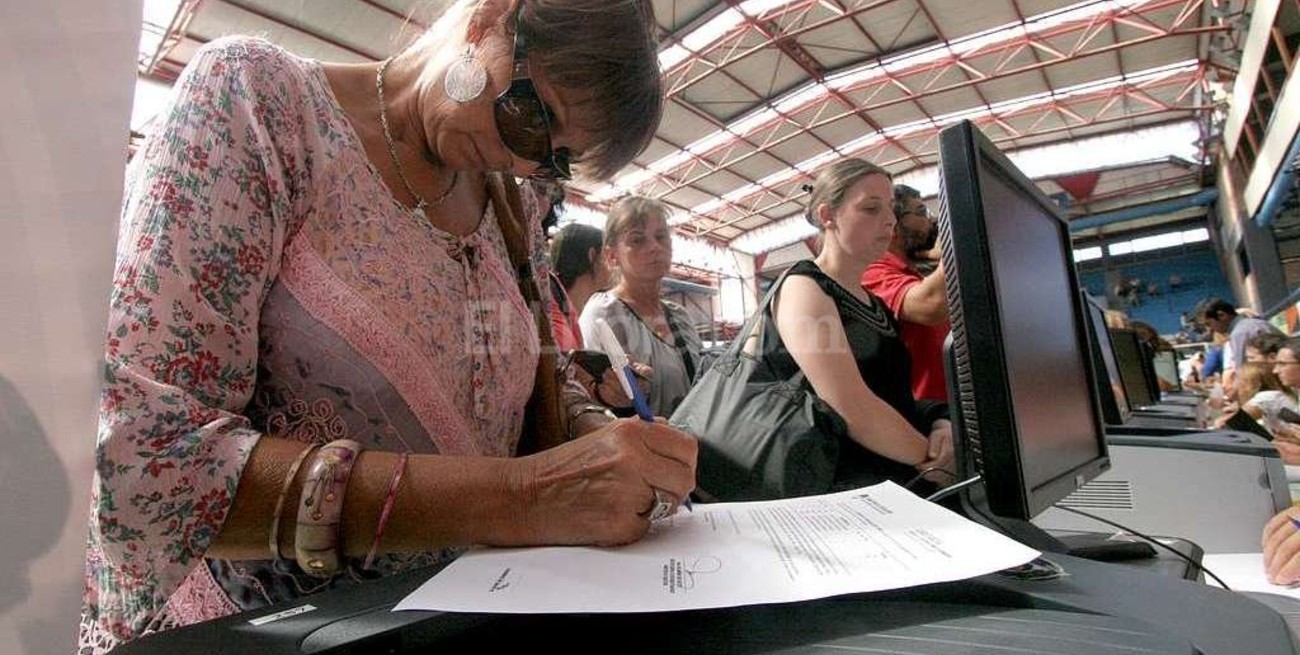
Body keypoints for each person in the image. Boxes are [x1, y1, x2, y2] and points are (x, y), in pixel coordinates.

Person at [80, 2, 698, 653]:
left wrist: (586, 423)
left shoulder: (510, 205)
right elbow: (140, 465)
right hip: (255, 631)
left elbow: (500, 382)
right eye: (532, 116)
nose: (525, 161)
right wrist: (523, 498)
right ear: (491, 19)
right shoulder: (259, 105)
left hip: (444, 618)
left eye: (557, 161)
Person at [760, 158, 954, 491]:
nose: (890, 220)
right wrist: (932, 459)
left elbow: (894, 397)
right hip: (840, 491)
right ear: (827, 216)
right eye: (871, 208)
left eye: (891, 209)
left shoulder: (875, 304)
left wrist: (941, 421)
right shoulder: (805, 287)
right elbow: (849, 405)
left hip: (890, 479)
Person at [579, 196, 702, 417]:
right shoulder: (604, 313)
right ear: (611, 255)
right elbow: (593, 398)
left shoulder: (680, 316)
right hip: (644, 447)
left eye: (661, 236)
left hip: (697, 446)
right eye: (637, 240)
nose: (654, 247)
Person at [861, 184, 950, 402]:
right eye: (921, 212)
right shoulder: (872, 272)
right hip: (929, 418)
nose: (931, 221)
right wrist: (953, 245)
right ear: (893, 226)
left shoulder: (915, 273)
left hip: (954, 404)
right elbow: (931, 306)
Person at [1196, 297, 1281, 396]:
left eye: (1209, 324)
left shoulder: (1240, 333)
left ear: (1221, 315)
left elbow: (1244, 373)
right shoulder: (1254, 324)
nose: (1210, 329)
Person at [548, 223, 610, 351]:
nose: (615, 262)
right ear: (592, 256)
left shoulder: (563, 308)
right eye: (608, 255)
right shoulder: (555, 316)